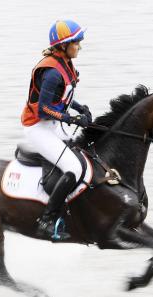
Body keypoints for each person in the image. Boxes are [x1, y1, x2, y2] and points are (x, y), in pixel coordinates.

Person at [20, 19, 92, 241]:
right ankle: (47, 221)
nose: (79, 46)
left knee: (82, 153)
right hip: (37, 127)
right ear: (63, 46)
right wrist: (71, 118)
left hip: (51, 124)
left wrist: (82, 108)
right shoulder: (52, 72)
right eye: (76, 43)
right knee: (73, 168)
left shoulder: (65, 63)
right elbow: (43, 109)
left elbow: (63, 96)